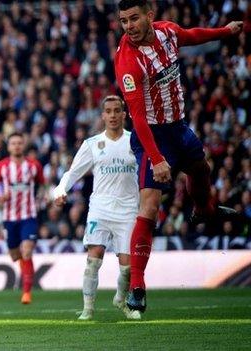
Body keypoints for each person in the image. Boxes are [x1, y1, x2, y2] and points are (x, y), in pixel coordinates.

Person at [114, 0, 241, 312]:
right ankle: (137, 288)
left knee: (201, 170)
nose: (128, 26)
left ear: (150, 14)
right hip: (151, 136)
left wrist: (225, 31)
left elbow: (193, 34)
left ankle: (203, 210)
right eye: (123, 21)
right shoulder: (128, 61)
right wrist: (157, 158)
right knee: (150, 204)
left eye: (133, 19)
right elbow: (139, 119)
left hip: (179, 126)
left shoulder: (168, 33)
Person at [52, 95, 140, 320]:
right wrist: (60, 190)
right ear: (102, 115)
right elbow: (72, 172)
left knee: (128, 267)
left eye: (116, 110)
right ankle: (88, 309)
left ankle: (120, 299)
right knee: (93, 259)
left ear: (124, 114)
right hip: (100, 208)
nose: (112, 115)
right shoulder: (92, 144)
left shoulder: (136, 141)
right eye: (108, 111)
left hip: (128, 208)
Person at [0, 132, 44, 304]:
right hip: (9, 218)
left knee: (26, 250)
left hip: (29, 216)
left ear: (23, 145)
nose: (17, 146)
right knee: (15, 255)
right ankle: (25, 272)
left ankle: (26, 293)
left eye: (19, 142)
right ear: (9, 147)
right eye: (13, 143)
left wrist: (47, 195)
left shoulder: (34, 165)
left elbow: (43, 183)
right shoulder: (2, 166)